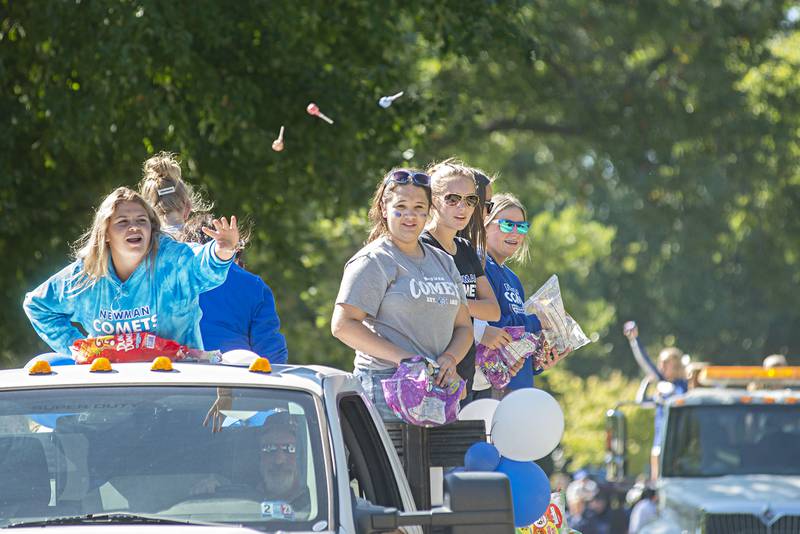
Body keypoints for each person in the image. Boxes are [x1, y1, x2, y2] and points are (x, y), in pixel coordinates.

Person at [23, 187, 238, 354]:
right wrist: (78, 349)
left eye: (141, 221)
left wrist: (223, 251)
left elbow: (203, 266)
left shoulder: (173, 261)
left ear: (151, 229)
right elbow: (38, 306)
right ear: (105, 233)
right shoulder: (85, 275)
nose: (133, 227)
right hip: (111, 393)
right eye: (123, 222)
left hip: (177, 391)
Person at [331, 168, 473, 420]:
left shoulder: (444, 261)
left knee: (437, 461)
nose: (411, 216)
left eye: (419, 207)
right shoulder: (374, 260)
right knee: (389, 462)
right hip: (384, 387)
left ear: (429, 211)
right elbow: (342, 325)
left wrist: (450, 359)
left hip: (437, 389)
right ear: (384, 209)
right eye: (401, 206)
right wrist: (406, 359)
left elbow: (463, 327)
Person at [139, 152, 288, 362]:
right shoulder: (253, 286)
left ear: (145, 213)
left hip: (153, 383)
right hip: (231, 384)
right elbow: (273, 361)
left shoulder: (129, 271)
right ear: (188, 209)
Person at [420, 160, 500, 403]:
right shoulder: (420, 247)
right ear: (433, 201)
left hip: (464, 374)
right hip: (433, 375)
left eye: (470, 200)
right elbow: (426, 307)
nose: (462, 207)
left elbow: (493, 310)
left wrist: (452, 300)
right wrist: (463, 303)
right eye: (452, 199)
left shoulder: (465, 249)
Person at [477, 193, 564, 393]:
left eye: (522, 227)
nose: (516, 233)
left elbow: (515, 343)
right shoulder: (480, 266)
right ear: (485, 225)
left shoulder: (513, 279)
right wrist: (538, 321)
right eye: (507, 225)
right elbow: (487, 329)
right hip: (489, 390)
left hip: (519, 390)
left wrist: (538, 361)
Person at [623, 321, 688, 480]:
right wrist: (634, 341)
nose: (662, 367)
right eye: (661, 363)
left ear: (677, 365)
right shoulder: (663, 385)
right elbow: (646, 366)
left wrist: (667, 390)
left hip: (678, 447)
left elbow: (679, 397)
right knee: (657, 483)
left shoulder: (682, 386)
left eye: (667, 363)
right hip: (660, 444)